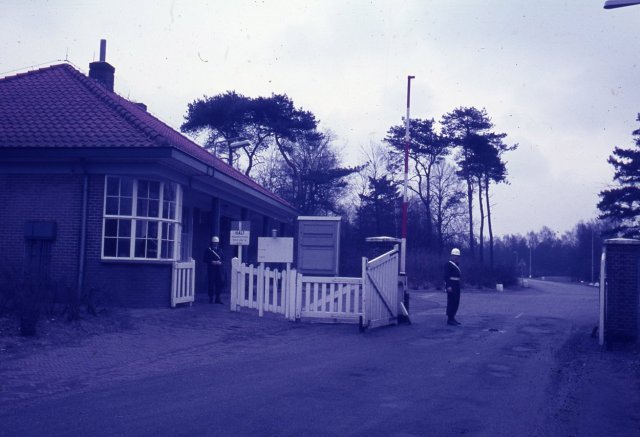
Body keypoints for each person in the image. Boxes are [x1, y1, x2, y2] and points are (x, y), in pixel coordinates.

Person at [203, 236, 224, 304]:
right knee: (211, 283)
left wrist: (220, 262)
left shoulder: (220, 250)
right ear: (212, 243)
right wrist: (212, 262)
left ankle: (218, 298)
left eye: (216, 242)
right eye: (214, 242)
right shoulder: (208, 250)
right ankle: (211, 298)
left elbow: (223, 258)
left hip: (218, 269)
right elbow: (205, 259)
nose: (215, 244)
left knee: (219, 283)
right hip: (211, 269)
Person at [444, 248, 462, 326]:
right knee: (451, 301)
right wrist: (448, 286)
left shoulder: (456, 265)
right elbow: (446, 276)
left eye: (457, 256)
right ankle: (450, 319)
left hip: (456, 284)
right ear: (451, 255)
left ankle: (453, 317)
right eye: (455, 255)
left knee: (456, 302)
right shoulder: (448, 264)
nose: (456, 257)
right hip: (451, 285)